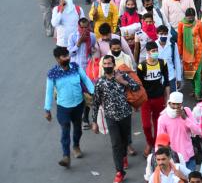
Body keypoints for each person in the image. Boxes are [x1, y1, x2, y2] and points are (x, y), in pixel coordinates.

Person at [90, 53, 140, 183]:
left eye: (109, 63)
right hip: (111, 117)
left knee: (125, 140)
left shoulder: (122, 76)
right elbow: (95, 102)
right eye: (105, 64)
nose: (107, 66)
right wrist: (94, 121)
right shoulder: (100, 82)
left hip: (125, 114)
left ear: (113, 64)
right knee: (116, 143)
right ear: (102, 65)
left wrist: (123, 82)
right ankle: (119, 171)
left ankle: (124, 156)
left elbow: (136, 87)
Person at [45, 45, 96, 168]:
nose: (67, 58)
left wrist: (94, 92)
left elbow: (86, 80)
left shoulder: (76, 67)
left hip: (78, 105)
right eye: (64, 56)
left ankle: (76, 146)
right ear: (57, 59)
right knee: (65, 131)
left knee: (77, 129)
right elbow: (49, 91)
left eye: (67, 55)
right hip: (63, 108)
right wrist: (47, 109)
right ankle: (66, 156)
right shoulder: (52, 74)